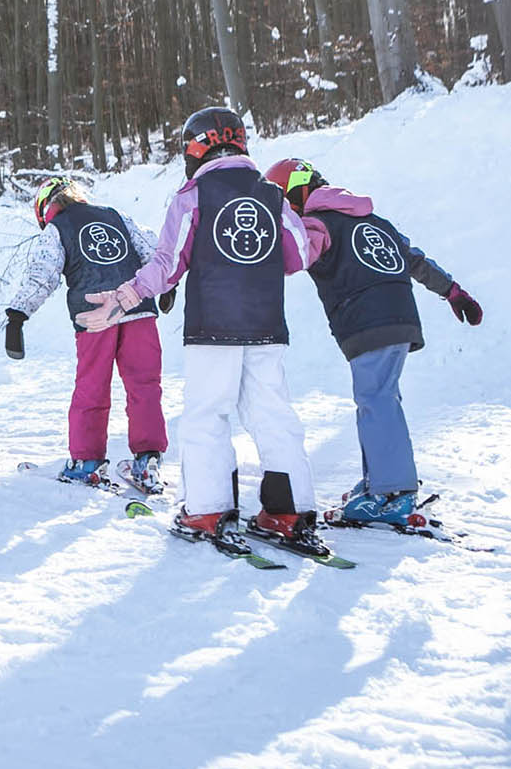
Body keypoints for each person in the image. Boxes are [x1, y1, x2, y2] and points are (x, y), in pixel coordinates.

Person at [78, 107, 330, 555]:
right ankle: (290, 512)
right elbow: (298, 256)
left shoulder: (193, 195)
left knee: (207, 417)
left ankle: (209, 509)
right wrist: (312, 226)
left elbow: (167, 265)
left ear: (197, 146)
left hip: (213, 328)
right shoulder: (272, 195)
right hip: (267, 327)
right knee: (274, 416)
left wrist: (124, 297)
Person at [267, 158, 485, 524]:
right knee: (380, 398)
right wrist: (453, 292)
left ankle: (393, 492)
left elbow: (293, 256)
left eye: (284, 206)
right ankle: (380, 479)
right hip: (398, 316)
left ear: (295, 196)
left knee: (376, 399)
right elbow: (415, 260)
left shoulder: (317, 224)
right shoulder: (373, 221)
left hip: (366, 318)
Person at [5, 177, 173, 491]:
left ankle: (87, 461)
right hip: (138, 308)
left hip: (94, 316)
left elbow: (42, 274)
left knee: (92, 387)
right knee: (144, 385)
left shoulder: (58, 229)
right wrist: (165, 286)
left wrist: (18, 314)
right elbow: (151, 246)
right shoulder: (115, 214)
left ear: (45, 209)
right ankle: (148, 458)